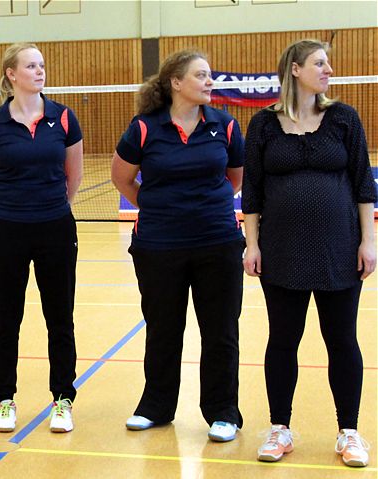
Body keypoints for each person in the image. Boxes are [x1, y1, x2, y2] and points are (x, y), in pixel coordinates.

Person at [242, 39, 376, 468]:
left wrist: (368, 240)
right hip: (281, 251)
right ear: (295, 69)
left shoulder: (343, 119)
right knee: (283, 340)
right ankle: (280, 428)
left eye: (328, 63)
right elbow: (253, 191)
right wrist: (252, 244)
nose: (329, 69)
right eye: (320, 63)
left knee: (342, 340)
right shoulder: (263, 125)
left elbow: (362, 182)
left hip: (339, 249)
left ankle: (349, 432)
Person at [110, 49, 245, 442]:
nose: (209, 81)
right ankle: (155, 406)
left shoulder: (226, 125)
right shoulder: (144, 128)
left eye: (209, 75)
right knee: (163, 329)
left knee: (220, 331)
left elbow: (233, 178)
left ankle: (223, 412)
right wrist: (157, 207)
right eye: (201, 75)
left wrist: (203, 208)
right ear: (176, 83)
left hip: (217, 242)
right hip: (159, 246)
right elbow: (123, 179)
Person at [0, 43, 83, 433]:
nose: (39, 71)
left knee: (60, 318)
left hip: (55, 227)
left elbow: (74, 176)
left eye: (41, 65)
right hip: (6, 231)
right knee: (6, 319)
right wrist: (15, 211)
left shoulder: (64, 119)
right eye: (30, 66)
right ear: (11, 75)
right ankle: (4, 399)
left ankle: (63, 399)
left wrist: (50, 208)